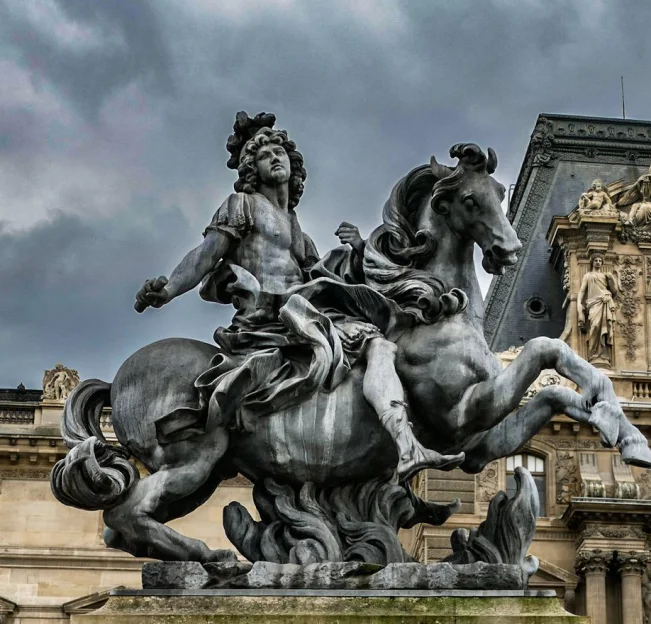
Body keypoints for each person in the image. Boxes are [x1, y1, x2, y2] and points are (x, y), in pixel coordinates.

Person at [135, 112, 461, 479]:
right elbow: (205, 255)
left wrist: (357, 250)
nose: (276, 158)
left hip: (304, 309)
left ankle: (396, 442)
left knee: (382, 342)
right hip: (271, 316)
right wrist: (168, 289)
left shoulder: (295, 227)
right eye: (265, 155)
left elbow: (322, 275)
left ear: (295, 166)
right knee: (376, 345)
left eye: (281, 152)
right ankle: (406, 445)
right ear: (252, 170)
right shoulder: (242, 206)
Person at [576, 256, 620, 363]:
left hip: (605, 302)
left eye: (600, 261)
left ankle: (602, 354)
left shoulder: (605, 276)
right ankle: (593, 354)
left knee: (604, 327)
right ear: (592, 262)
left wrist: (611, 280)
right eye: (596, 260)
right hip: (593, 304)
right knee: (595, 326)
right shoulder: (588, 275)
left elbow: (614, 292)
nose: (598, 262)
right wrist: (579, 304)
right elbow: (582, 291)